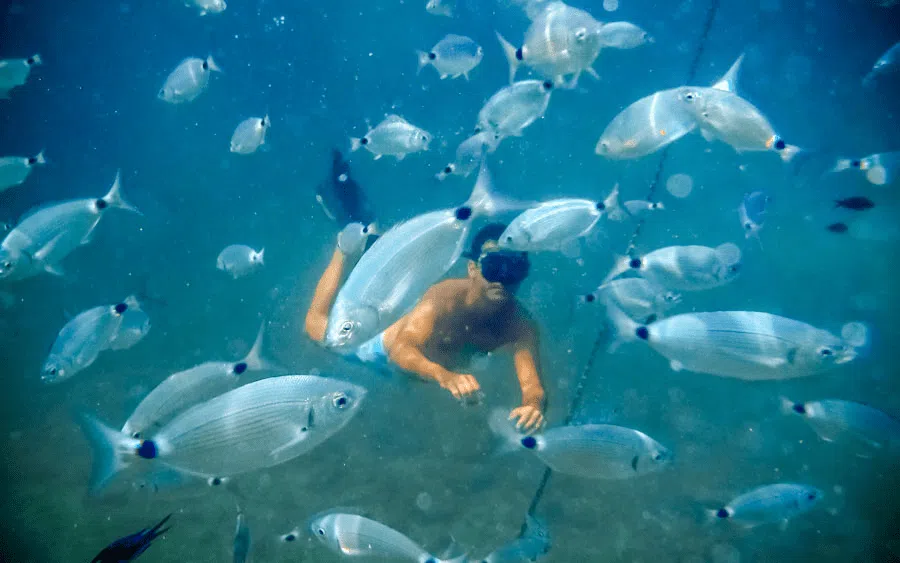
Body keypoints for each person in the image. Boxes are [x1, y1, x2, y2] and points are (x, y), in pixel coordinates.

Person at [304, 222, 546, 432]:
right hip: (380, 352)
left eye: (515, 269)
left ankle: (376, 246)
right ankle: (344, 248)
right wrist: (445, 376)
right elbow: (400, 350)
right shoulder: (445, 299)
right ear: (472, 268)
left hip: (421, 380)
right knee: (315, 328)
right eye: (494, 267)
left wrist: (533, 407)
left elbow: (532, 386)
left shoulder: (520, 325)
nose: (503, 279)